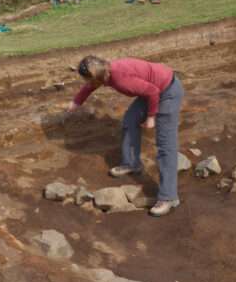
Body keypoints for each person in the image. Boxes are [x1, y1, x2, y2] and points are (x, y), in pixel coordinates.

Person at [67, 55, 184, 217]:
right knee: (130, 120)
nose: (87, 83)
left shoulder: (121, 79)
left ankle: (169, 197)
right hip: (151, 89)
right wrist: (77, 101)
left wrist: (151, 117)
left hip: (167, 92)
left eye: (88, 80)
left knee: (165, 145)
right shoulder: (105, 71)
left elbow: (152, 91)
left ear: (99, 76)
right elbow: (91, 85)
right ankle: (132, 163)